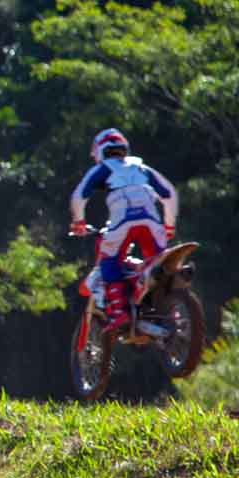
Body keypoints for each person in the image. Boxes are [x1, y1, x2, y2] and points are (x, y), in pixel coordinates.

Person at [70, 127, 179, 335]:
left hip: (123, 222)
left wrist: (79, 222)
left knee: (109, 262)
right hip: (151, 221)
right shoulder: (142, 167)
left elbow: (79, 196)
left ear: (100, 150)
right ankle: (169, 310)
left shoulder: (103, 169)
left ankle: (119, 312)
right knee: (158, 264)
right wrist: (169, 225)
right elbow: (169, 194)